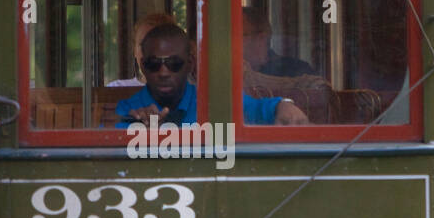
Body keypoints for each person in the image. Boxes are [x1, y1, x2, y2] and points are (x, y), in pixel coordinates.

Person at [116, 21, 308, 127]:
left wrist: (284, 106)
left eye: (174, 63)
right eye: (154, 64)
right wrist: (139, 129)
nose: (164, 72)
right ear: (142, 64)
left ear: (190, 64)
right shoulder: (128, 110)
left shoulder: (215, 102)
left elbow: (260, 107)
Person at [241, 7, 315, 77]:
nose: (231, 43)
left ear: (261, 39)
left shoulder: (298, 72)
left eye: (238, 36)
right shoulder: (232, 72)